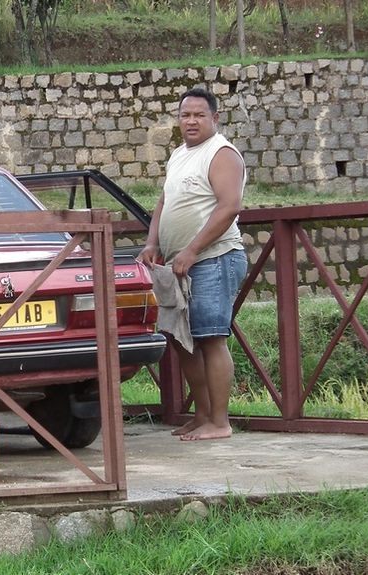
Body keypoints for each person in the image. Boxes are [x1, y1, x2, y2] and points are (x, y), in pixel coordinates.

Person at [136, 87, 248, 441]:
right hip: (179, 264)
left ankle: (220, 421)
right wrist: (153, 242)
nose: (191, 121)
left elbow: (229, 206)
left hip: (214, 258)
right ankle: (201, 416)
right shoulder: (179, 155)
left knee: (210, 338)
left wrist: (193, 249)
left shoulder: (222, 153)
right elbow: (164, 202)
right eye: (186, 115)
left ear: (215, 118)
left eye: (199, 114)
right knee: (184, 342)